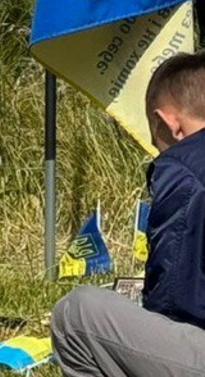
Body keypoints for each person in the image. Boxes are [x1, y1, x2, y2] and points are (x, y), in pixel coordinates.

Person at [51, 52, 205, 375]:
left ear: (169, 123)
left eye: (157, 142)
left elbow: (174, 302)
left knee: (76, 315)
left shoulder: (184, 169)